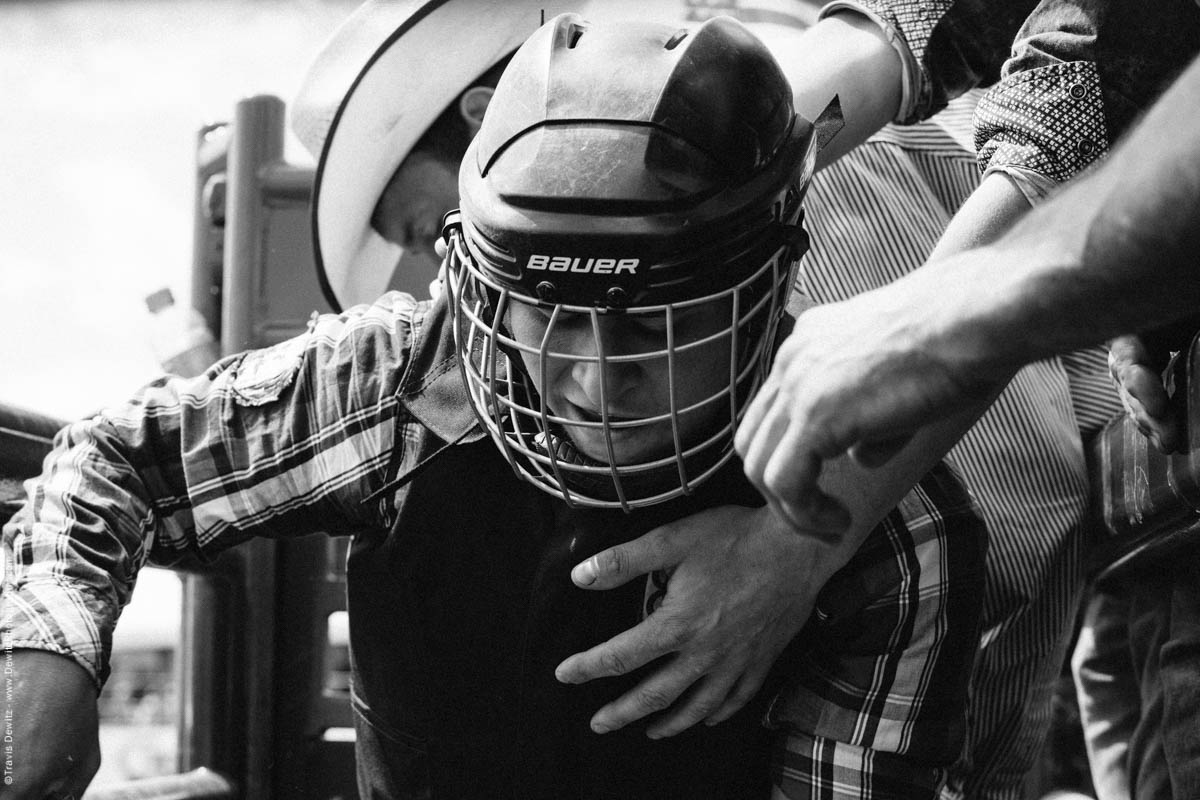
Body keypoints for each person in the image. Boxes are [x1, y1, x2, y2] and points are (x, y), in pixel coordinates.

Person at [2, 13, 992, 800]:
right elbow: (124, 455)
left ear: (768, 294)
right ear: (479, 285)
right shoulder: (403, 383)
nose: (597, 381)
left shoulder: (896, 531)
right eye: (550, 317)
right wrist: (49, 648)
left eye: (657, 324)